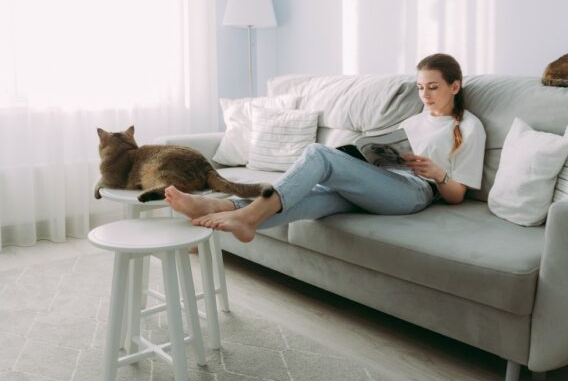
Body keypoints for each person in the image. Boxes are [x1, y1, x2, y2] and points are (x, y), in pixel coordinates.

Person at [165, 53, 487, 242]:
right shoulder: (415, 119)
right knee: (313, 199)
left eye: (432, 87)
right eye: (420, 88)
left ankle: (247, 216)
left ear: (454, 86)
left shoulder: (470, 127)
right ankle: (222, 208)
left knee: (318, 153)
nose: (425, 95)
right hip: (383, 181)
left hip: (417, 192)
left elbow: (458, 195)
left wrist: (438, 173)